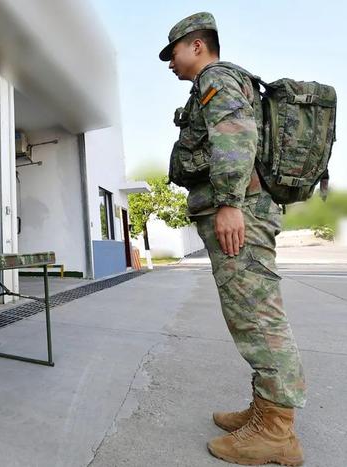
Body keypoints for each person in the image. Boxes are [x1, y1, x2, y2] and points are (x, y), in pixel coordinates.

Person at [160, 12, 305, 466]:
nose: (169, 62)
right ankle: (265, 410)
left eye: (174, 52)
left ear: (198, 45)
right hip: (242, 207)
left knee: (258, 319)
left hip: (241, 210)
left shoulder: (216, 78)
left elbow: (235, 138)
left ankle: (276, 432)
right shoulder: (219, 81)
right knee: (248, 315)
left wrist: (228, 203)